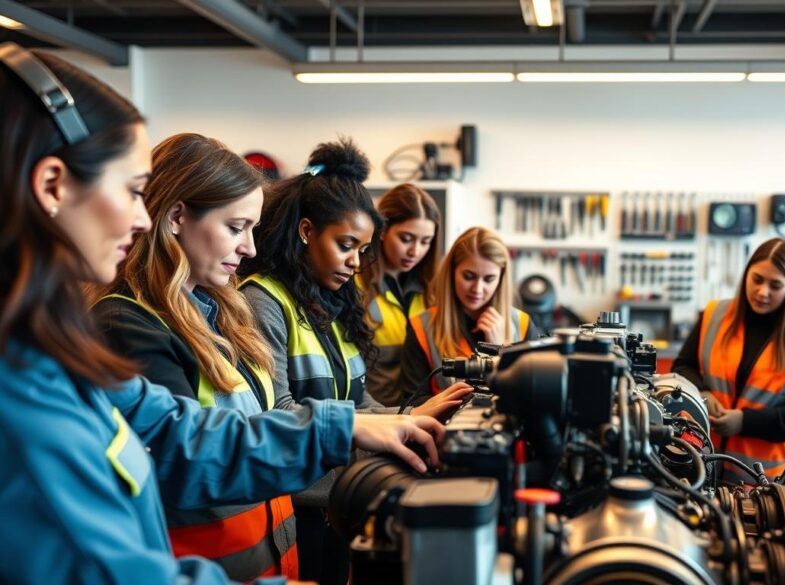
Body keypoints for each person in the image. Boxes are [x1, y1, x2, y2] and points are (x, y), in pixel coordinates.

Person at [0, 42, 441, 585]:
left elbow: (180, 435)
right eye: (133, 191)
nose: (144, 218)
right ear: (52, 187)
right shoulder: (32, 384)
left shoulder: (52, 350)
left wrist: (345, 428)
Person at [237, 140, 469, 583]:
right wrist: (388, 429)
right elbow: (276, 417)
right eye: (346, 245)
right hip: (295, 514)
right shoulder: (263, 302)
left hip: (339, 504)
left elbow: (355, 404)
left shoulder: (333, 304)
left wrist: (409, 416)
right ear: (306, 231)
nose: (355, 262)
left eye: (363, 250)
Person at [89, 133, 299, 581]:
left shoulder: (219, 312)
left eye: (252, 230)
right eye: (235, 227)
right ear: (177, 217)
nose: (250, 248)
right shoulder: (126, 325)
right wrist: (345, 432)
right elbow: (190, 456)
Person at [671, 238, 785, 483]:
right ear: (746, 273)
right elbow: (682, 367)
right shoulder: (715, 314)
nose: (762, 292)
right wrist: (704, 393)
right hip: (699, 464)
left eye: (775, 285)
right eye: (757, 279)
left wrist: (745, 422)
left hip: (760, 481)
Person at [397, 227, 540, 404]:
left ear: (501, 278)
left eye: (489, 279)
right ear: (452, 272)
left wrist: (501, 350)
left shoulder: (522, 324)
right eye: (469, 276)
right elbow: (412, 403)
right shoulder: (421, 328)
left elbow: (535, 395)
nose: (477, 289)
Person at [357, 183, 442, 405]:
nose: (415, 251)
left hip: (424, 414)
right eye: (406, 239)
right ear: (382, 230)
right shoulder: (354, 286)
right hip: (374, 418)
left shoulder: (433, 291)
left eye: (425, 242)